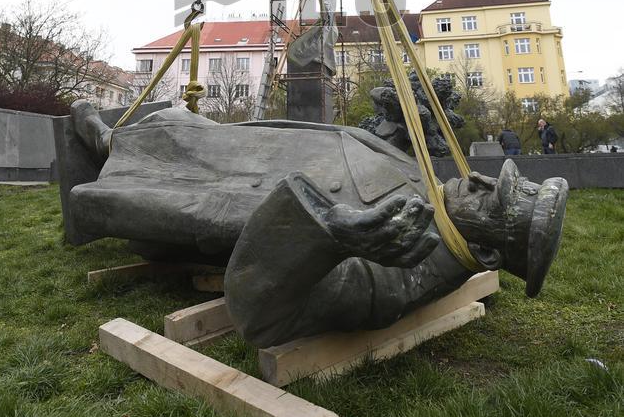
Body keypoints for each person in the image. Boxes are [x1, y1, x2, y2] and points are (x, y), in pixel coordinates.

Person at [63, 101, 569, 347]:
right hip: (248, 153)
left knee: (169, 171)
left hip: (231, 192)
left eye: (490, 200)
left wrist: (326, 232)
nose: (477, 181)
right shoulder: (434, 203)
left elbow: (262, 315)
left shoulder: (397, 273)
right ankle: (115, 142)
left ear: (489, 252)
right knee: (181, 125)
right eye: (490, 181)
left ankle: (110, 153)